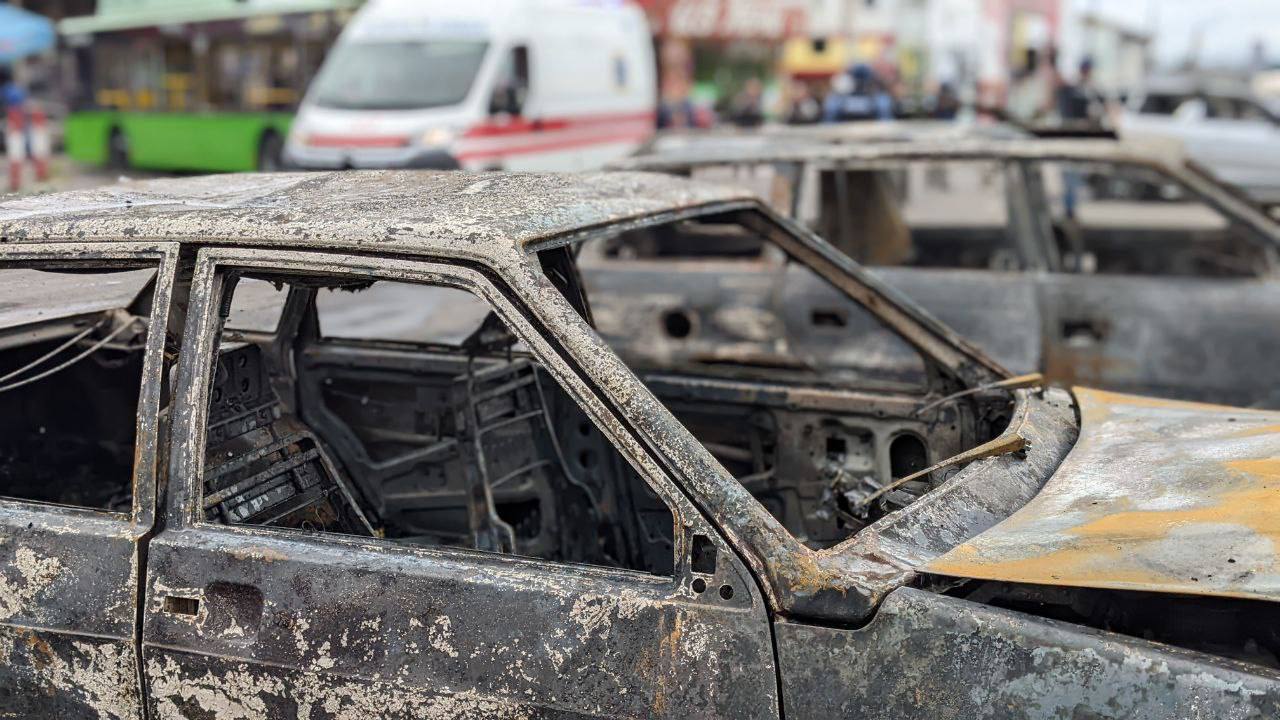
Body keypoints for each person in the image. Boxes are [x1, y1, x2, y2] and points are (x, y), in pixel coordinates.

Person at [824, 64, 894, 123]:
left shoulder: (879, 99)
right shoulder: (838, 99)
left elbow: (886, 122)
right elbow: (830, 122)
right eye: (858, 80)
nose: (860, 83)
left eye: (862, 80)